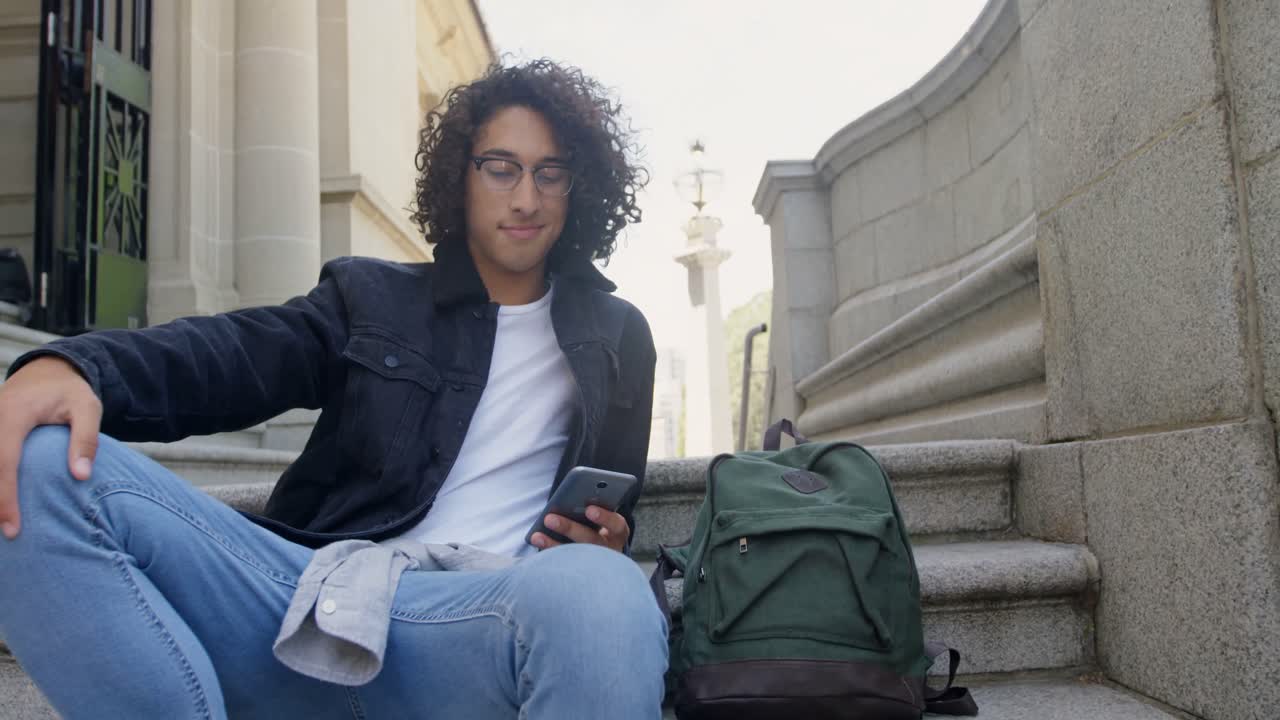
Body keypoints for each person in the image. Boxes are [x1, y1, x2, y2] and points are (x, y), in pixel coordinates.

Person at [0, 59, 666, 719]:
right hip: (313, 598)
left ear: (578, 187)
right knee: (39, 465)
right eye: (501, 167)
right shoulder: (373, 299)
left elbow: (611, 506)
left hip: (484, 620)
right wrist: (75, 367)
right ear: (460, 178)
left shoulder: (618, 336)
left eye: (550, 173)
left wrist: (601, 545)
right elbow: (233, 355)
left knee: (602, 586)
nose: (526, 199)